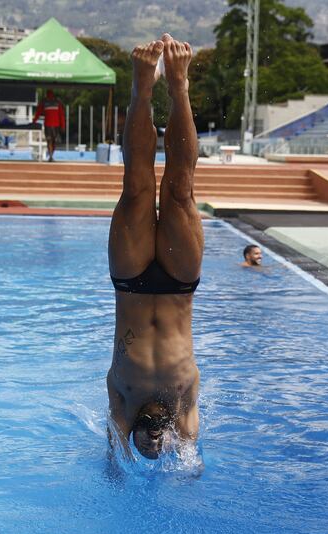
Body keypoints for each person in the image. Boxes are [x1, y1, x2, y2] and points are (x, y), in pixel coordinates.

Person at [107, 34, 204, 460]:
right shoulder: (183, 409)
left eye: (141, 442)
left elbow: (114, 456)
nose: (151, 440)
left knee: (135, 187)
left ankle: (141, 88)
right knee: (180, 190)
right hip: (180, 283)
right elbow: (190, 459)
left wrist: (120, 463)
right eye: (156, 443)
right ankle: (179, 85)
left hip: (129, 282)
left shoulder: (122, 404)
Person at [33, 89, 65, 162]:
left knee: (49, 141)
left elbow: (38, 112)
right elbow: (61, 115)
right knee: (53, 142)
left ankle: (50, 156)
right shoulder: (58, 102)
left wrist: (34, 121)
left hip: (48, 125)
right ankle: (51, 156)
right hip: (56, 126)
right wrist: (63, 126)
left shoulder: (44, 102)